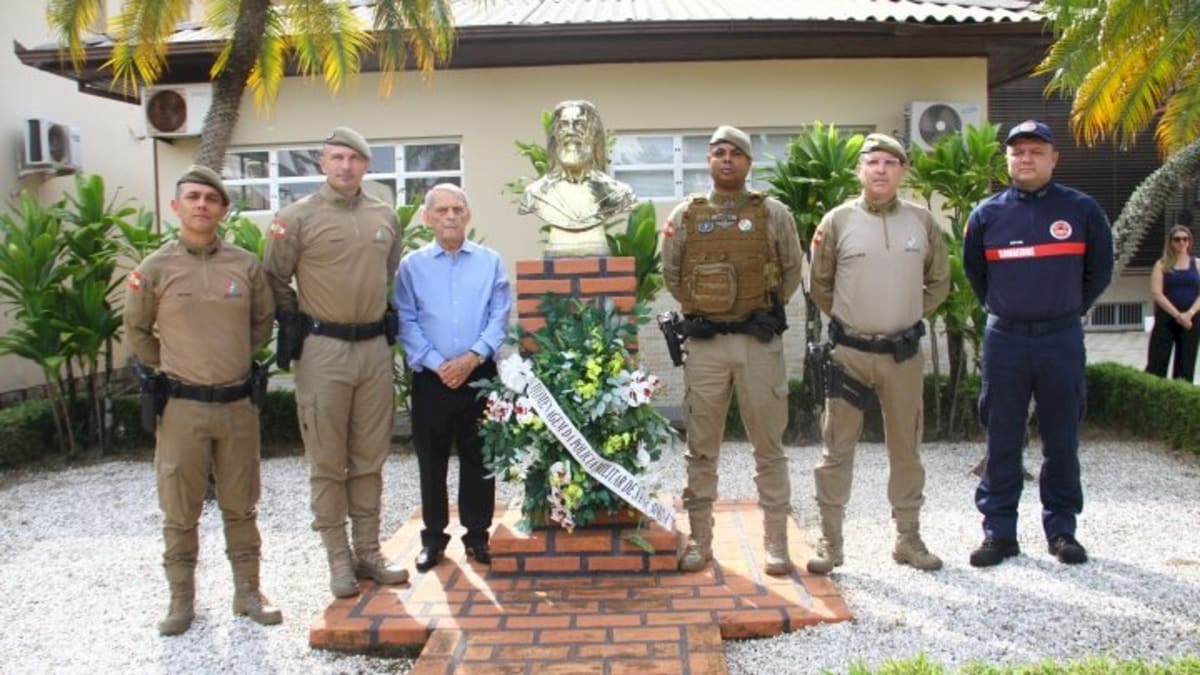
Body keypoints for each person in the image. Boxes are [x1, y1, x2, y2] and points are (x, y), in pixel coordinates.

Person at [124, 165, 281, 635]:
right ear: (176, 206)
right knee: (180, 508)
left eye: (210, 199)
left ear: (223, 210)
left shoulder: (245, 266)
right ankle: (181, 602)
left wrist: (228, 358)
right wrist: (176, 364)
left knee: (241, 504)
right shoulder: (154, 269)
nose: (201, 206)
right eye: (191, 197)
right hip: (182, 407)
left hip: (236, 405)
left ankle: (248, 592)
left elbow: (262, 323)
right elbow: (136, 331)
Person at [263, 127, 410, 597]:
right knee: (328, 460)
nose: (346, 167)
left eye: (355, 159)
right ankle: (338, 560)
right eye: (336, 158)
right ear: (322, 164)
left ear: (367, 166)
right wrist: (296, 327)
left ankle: (368, 552)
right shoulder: (296, 218)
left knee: (370, 457)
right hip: (322, 348)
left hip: (372, 349)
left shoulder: (384, 215)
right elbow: (275, 279)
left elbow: (386, 272)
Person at [963, 120, 1114, 567]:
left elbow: (1099, 273)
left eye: (1035, 151)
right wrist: (1011, 308)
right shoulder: (986, 215)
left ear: (1053, 158)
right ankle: (999, 533)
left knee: (1061, 439)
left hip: (1060, 337)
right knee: (1002, 437)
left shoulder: (1082, 210)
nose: (1025, 159)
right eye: (1017, 152)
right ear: (1007, 159)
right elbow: (977, 275)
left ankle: (1062, 530)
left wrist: (1062, 309)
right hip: (1005, 337)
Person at [661, 125, 805, 575]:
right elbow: (672, 272)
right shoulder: (686, 214)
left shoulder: (773, 212)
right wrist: (705, 309)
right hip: (706, 346)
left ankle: (776, 545)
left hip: (758, 344)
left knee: (769, 446)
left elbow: (790, 270)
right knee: (701, 447)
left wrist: (759, 310)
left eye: (736, 153)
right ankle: (701, 542)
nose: (727, 159)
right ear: (708, 160)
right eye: (718, 152)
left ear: (748, 162)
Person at [806, 133, 951, 575]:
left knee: (906, 448)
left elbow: (939, 282)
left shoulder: (922, 222)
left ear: (904, 171)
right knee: (835, 451)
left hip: (902, 357)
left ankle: (907, 539)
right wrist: (857, 321)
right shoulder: (836, 221)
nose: (882, 169)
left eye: (892, 162)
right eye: (874, 161)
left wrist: (904, 316)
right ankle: (830, 543)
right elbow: (820, 285)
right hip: (849, 355)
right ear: (860, 169)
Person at [394, 184, 511, 572]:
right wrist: (435, 362)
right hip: (432, 380)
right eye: (441, 210)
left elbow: (499, 315)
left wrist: (473, 357)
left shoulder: (490, 262)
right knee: (432, 460)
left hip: (479, 376)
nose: (449, 216)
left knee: (480, 459)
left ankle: (478, 537)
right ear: (428, 218)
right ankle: (433, 540)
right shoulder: (411, 267)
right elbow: (405, 319)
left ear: (468, 215)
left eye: (457, 209)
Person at [518, 99, 637, 257]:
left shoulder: (619, 193)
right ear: (554, 137)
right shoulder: (535, 194)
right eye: (563, 125)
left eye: (580, 125)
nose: (570, 131)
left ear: (595, 136)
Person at [1145, 218, 1200, 381]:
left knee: (1186, 365)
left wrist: (1189, 313)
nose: (1182, 242)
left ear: (1190, 241)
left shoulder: (1197, 264)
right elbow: (1157, 293)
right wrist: (1178, 315)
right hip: (1166, 319)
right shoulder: (1161, 264)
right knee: (1157, 364)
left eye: (1185, 239)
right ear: (1171, 242)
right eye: (1177, 239)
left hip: (1191, 320)